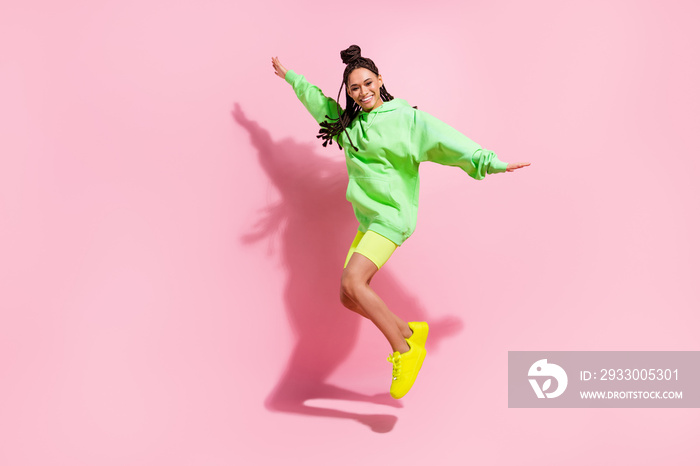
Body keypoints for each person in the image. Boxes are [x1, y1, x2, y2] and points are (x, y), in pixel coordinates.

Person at [271, 45, 530, 399]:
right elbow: (317, 102)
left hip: (392, 217)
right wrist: (291, 77)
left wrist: (491, 162)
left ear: (380, 81)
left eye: (367, 83)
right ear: (348, 92)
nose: (363, 92)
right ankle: (410, 331)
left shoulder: (406, 119)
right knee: (348, 296)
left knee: (353, 280)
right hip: (369, 219)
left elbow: (447, 141)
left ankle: (404, 351)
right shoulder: (348, 126)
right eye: (355, 88)